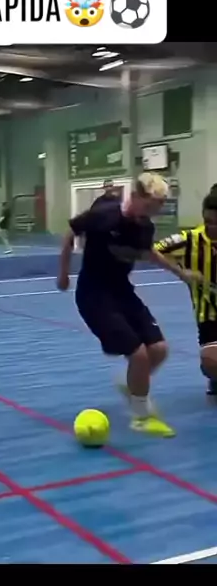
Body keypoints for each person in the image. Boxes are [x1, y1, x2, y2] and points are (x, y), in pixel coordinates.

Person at [57, 172, 198, 437]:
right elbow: (69, 234)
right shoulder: (104, 215)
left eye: (158, 208)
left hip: (122, 291)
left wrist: (180, 273)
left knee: (159, 350)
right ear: (135, 196)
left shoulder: (145, 227)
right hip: (94, 294)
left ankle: (132, 383)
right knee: (139, 354)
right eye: (151, 206)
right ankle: (141, 417)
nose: (153, 213)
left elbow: (148, 252)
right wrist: (63, 274)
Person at [154, 188, 217, 396]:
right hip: (210, 318)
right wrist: (181, 272)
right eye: (208, 221)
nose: (211, 227)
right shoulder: (189, 240)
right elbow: (150, 250)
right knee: (211, 361)